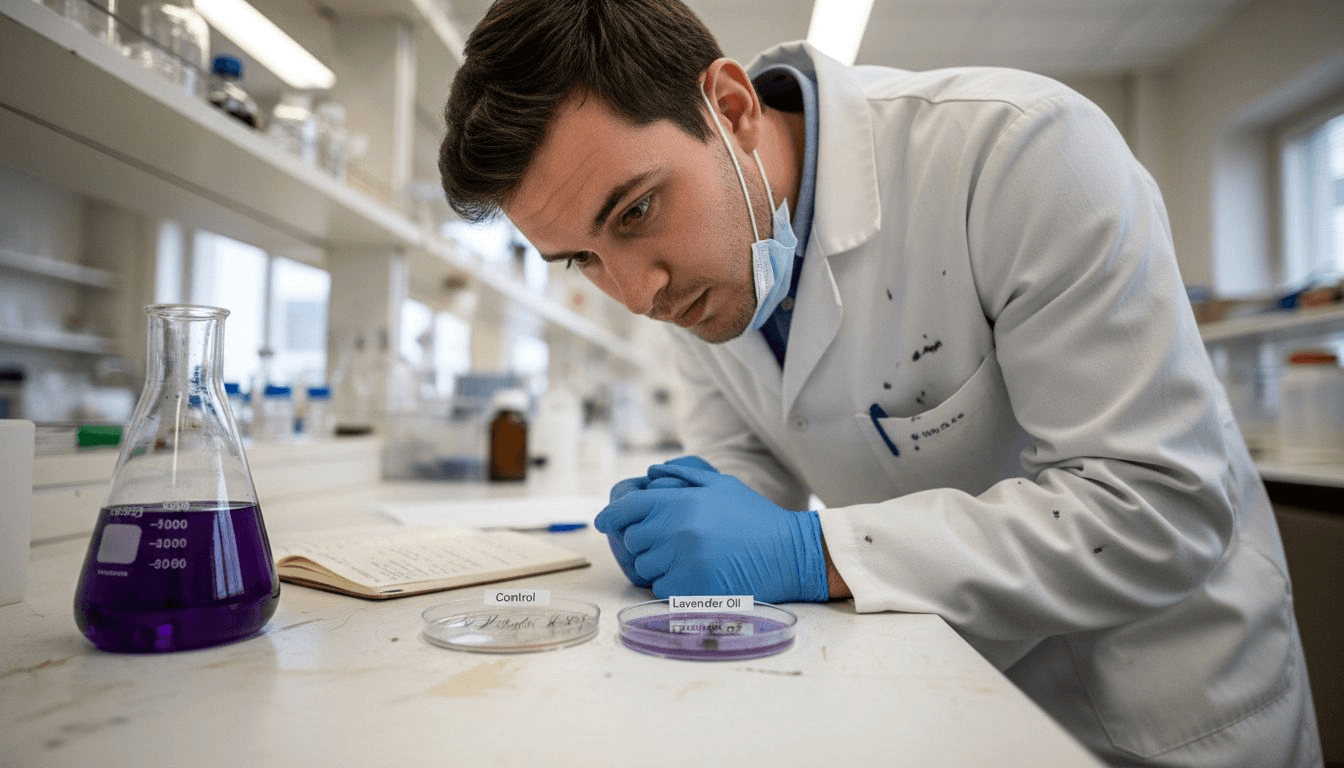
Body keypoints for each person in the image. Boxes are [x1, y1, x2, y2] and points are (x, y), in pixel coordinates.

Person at [437, 1, 1322, 765]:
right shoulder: (700, 270)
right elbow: (751, 461)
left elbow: (1157, 507)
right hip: (945, 699)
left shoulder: (1021, 152)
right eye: (582, 259)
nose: (638, 294)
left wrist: (808, 553)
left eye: (636, 211)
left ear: (731, 109)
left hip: (1157, 710)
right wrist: (694, 511)